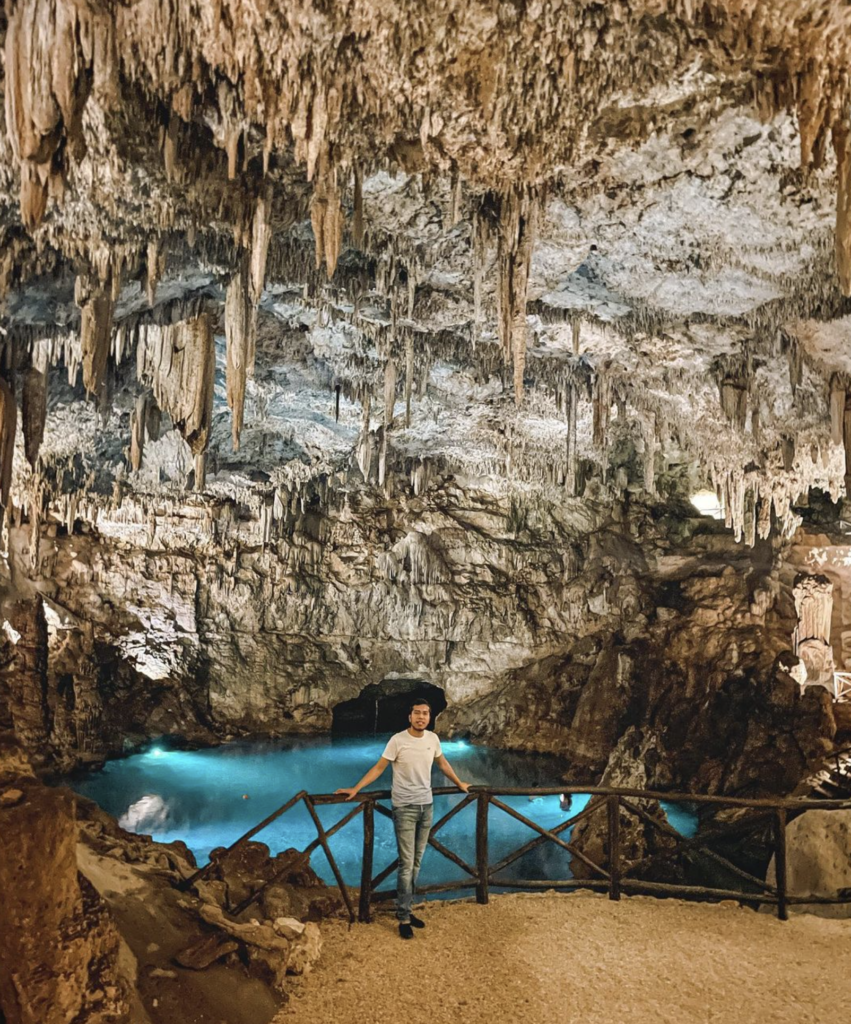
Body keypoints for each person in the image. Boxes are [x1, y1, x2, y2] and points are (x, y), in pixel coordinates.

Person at [335, 698, 471, 939]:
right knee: (406, 864)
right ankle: (403, 917)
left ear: (430, 717)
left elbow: (442, 762)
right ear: (409, 717)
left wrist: (459, 782)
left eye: (425, 713)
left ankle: (407, 907)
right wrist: (356, 789)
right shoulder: (398, 740)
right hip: (405, 808)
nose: (421, 717)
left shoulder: (433, 739)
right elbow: (379, 768)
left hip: (426, 806)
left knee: (416, 862)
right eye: (417, 713)